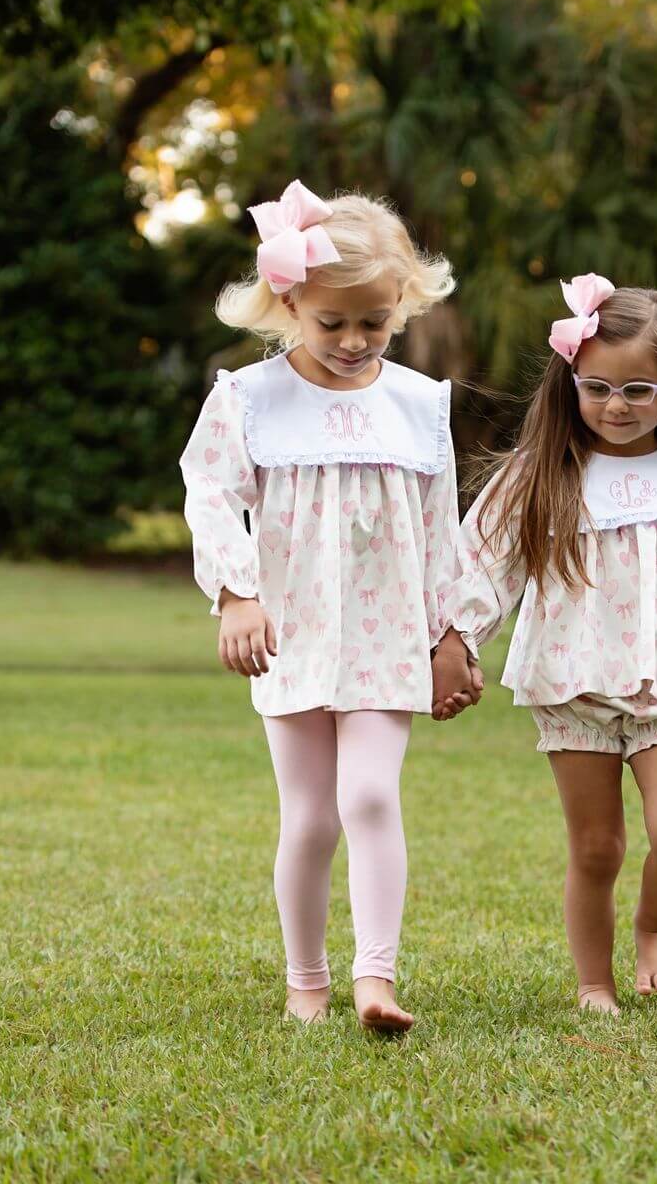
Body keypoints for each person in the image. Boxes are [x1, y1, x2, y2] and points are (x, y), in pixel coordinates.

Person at [181, 182, 480, 1031]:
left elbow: (440, 527)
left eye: (374, 322)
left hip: (390, 639)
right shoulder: (249, 398)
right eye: (332, 322)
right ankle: (305, 982)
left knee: (372, 799)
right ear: (289, 305)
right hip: (291, 635)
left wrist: (452, 632)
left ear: (401, 306)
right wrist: (237, 593)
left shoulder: (420, 404)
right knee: (310, 815)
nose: (354, 341)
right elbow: (209, 493)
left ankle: (374, 980)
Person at [432, 275, 657, 1014]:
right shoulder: (544, 475)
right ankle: (594, 983)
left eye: (638, 390)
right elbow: (483, 564)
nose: (616, 406)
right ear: (572, 384)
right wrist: (456, 639)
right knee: (597, 847)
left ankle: (652, 928)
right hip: (573, 684)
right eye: (598, 388)